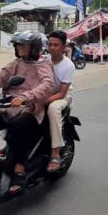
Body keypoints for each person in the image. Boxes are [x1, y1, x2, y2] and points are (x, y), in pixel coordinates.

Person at [0, 31, 55, 195]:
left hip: (30, 108)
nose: (19, 48)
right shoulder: (16, 63)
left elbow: (48, 84)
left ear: (34, 48)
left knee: (17, 127)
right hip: (7, 105)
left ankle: (19, 169)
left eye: (23, 45)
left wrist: (26, 96)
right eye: (18, 45)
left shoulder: (42, 64)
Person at [44, 31, 74, 173]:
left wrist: (42, 102)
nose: (52, 47)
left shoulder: (68, 65)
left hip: (62, 97)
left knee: (52, 108)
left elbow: (62, 93)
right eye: (50, 44)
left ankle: (55, 152)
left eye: (56, 45)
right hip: (45, 94)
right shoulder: (43, 60)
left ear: (63, 47)